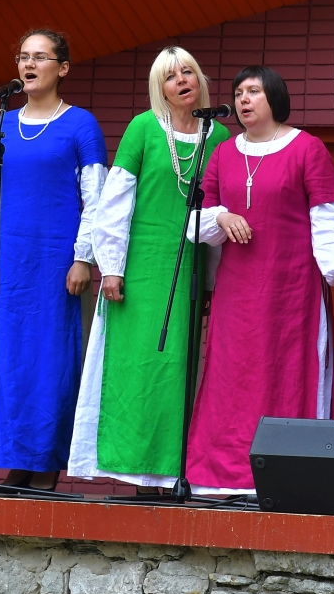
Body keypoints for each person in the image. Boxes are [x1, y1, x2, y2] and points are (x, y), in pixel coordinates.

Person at [184, 65, 334, 493]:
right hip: (237, 291)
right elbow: (197, 218)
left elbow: (327, 215)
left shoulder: (307, 148)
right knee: (233, 378)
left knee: (286, 373)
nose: (244, 100)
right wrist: (222, 217)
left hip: (291, 289)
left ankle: (289, 478)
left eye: (254, 91)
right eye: (239, 93)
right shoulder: (223, 153)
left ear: (275, 98)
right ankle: (224, 480)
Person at [0, 29, 107, 491]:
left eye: (40, 57)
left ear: (63, 68)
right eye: (22, 57)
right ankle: (7, 458)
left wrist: (84, 258)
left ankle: (43, 463)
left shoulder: (80, 125)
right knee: (0, 358)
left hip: (55, 266)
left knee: (49, 361)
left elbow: (96, 197)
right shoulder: (3, 123)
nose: (28, 65)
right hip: (5, 264)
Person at [68, 47, 230, 491]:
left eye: (188, 72)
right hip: (139, 270)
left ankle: (172, 472)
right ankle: (135, 474)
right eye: (170, 76)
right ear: (160, 89)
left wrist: (211, 283)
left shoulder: (218, 136)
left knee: (178, 369)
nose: (182, 81)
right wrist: (111, 267)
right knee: (137, 366)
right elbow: (114, 202)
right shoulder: (143, 127)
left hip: (189, 267)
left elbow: (217, 210)